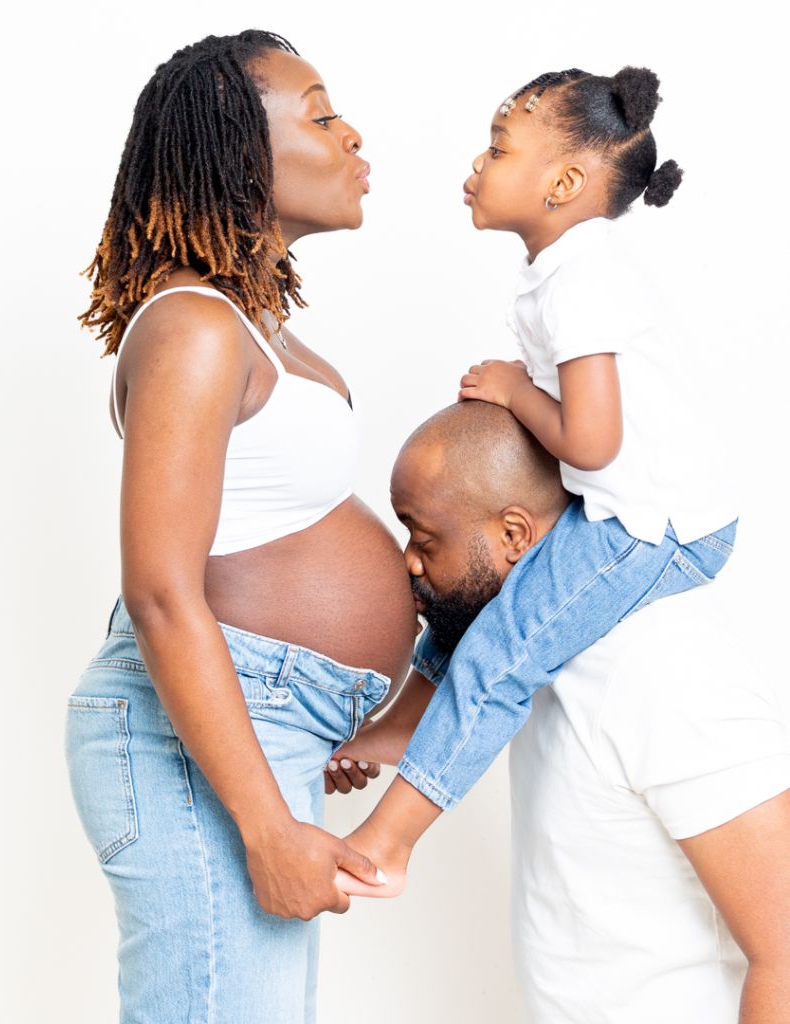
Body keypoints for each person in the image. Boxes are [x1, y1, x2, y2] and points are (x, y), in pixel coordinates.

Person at [64, 30, 416, 1024]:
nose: (351, 135)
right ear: (234, 146)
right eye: (320, 114)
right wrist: (265, 826)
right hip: (199, 738)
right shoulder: (194, 325)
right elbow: (160, 590)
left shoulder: (250, 324)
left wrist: (334, 706)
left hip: (259, 722)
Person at [332, 65, 737, 866]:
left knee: (500, 656)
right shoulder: (566, 271)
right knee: (478, 596)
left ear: (563, 183)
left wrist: (514, 390)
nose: (477, 163)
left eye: (497, 148)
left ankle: (388, 843)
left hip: (656, 527)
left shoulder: (582, 281)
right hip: (622, 506)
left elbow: (591, 443)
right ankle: (409, 721)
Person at [334, 403, 790, 1021]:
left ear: (515, 536)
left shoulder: (666, 663)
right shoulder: (545, 653)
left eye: (425, 537)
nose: (408, 560)